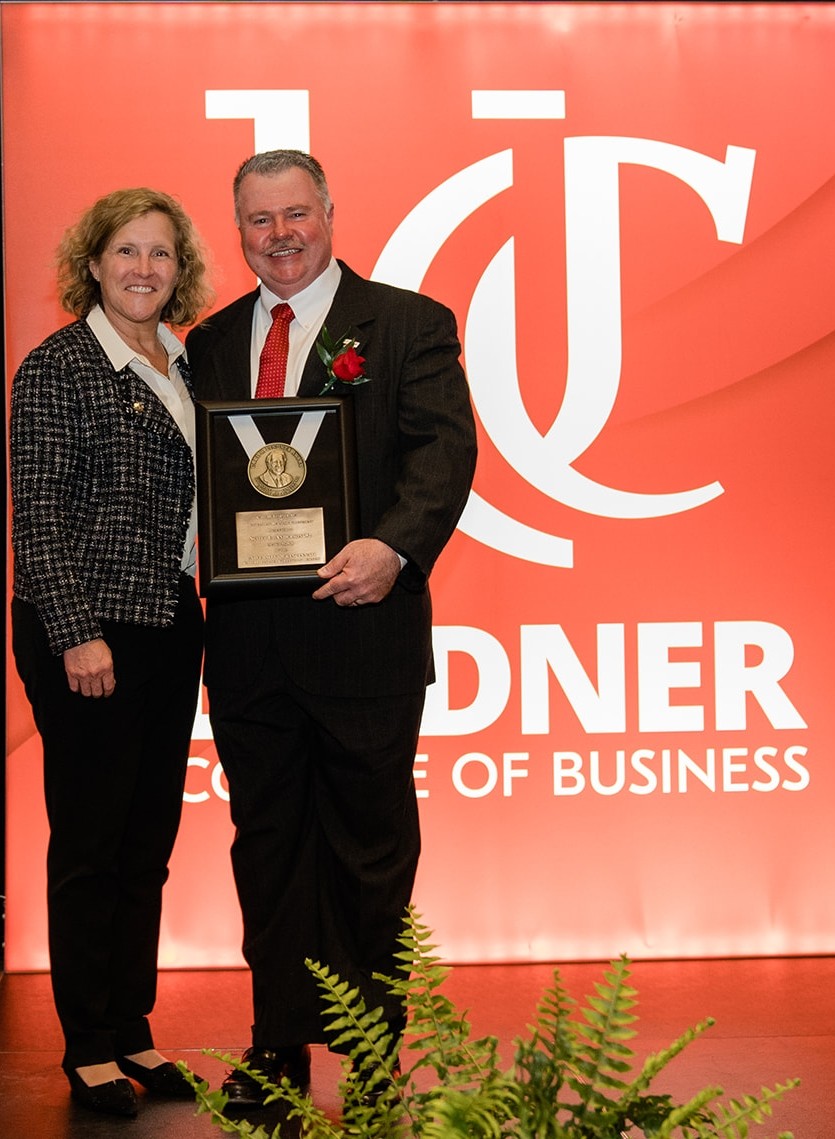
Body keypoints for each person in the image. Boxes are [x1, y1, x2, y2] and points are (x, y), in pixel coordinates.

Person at [186, 149, 477, 1104]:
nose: (281, 235)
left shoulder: (406, 324)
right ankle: (275, 1051)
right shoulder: (211, 340)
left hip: (365, 636)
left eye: (296, 213)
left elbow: (444, 455)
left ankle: (373, 1055)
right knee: (266, 846)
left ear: (330, 214)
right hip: (248, 647)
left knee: (369, 848)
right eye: (260, 221)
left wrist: (391, 549)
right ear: (239, 234)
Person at [10, 188, 212, 1117]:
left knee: (148, 842)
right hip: (86, 628)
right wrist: (76, 632)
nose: (144, 269)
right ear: (91, 263)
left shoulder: (182, 360)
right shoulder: (57, 368)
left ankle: (132, 1026)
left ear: (181, 271)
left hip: (172, 620)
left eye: (161, 254)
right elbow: (39, 517)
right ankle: (88, 1044)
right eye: (126, 251)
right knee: (92, 841)